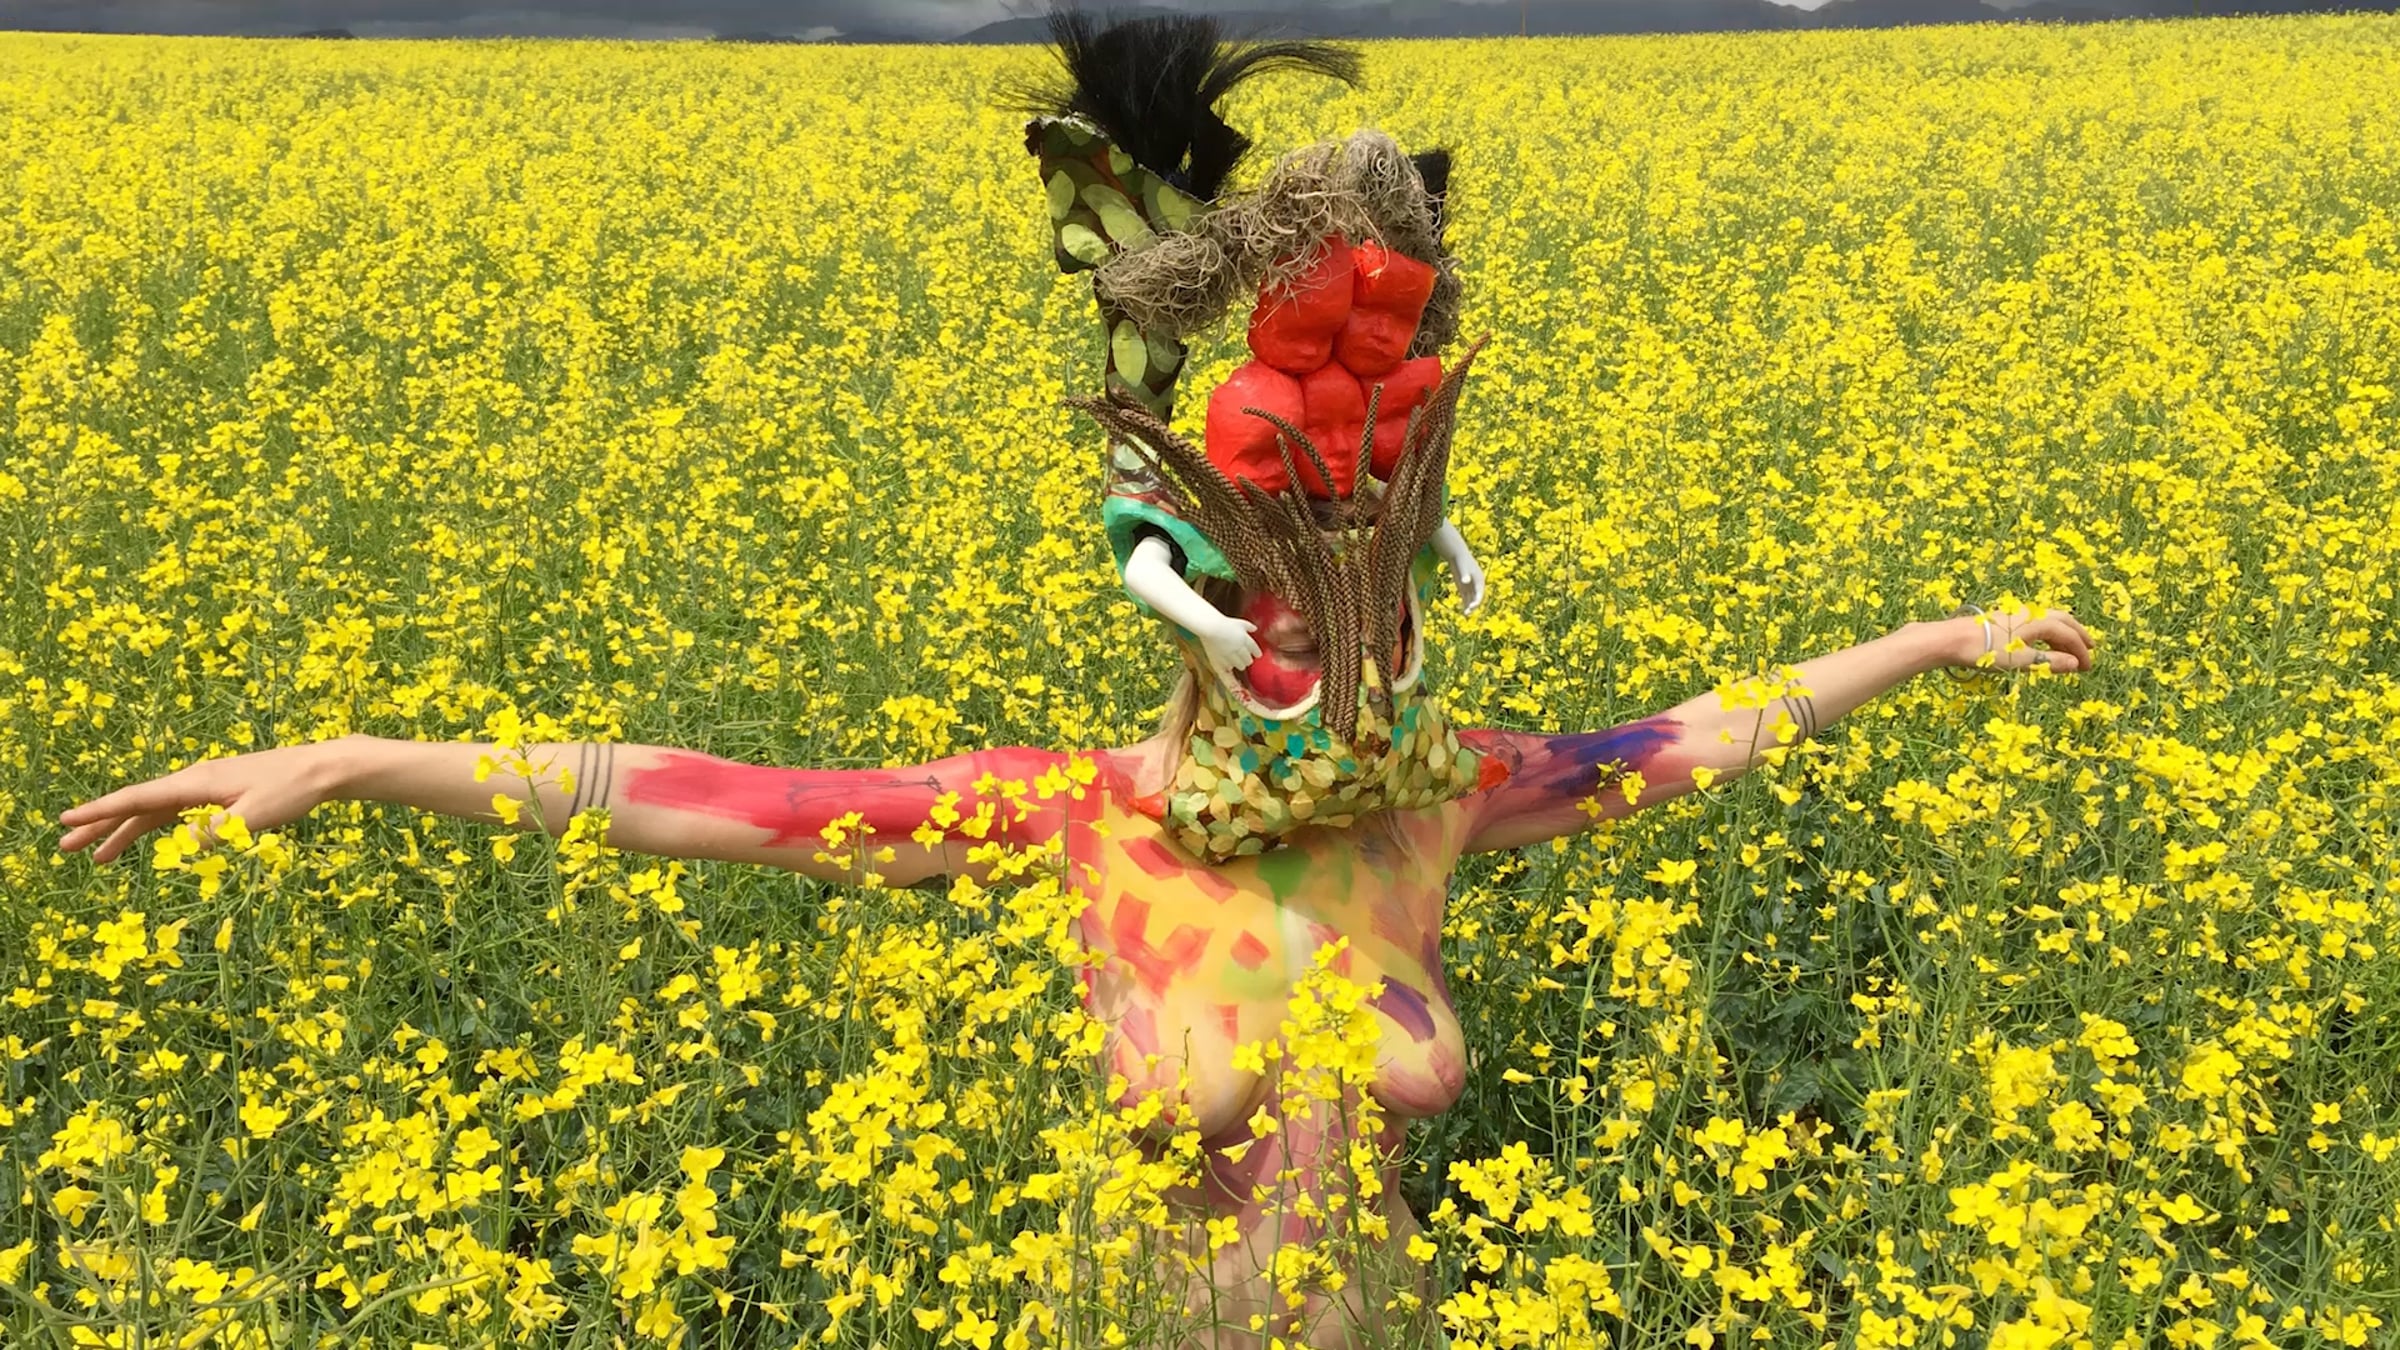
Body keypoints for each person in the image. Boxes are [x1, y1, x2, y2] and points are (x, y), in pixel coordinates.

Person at [56, 14, 2097, 1347]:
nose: (1329, 664)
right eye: (1287, 628)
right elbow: (709, 798)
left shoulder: (1437, 800)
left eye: (1360, 630)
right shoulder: (1075, 820)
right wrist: (348, 758)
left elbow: (1701, 736)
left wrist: (1934, 644)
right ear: (1207, 622)